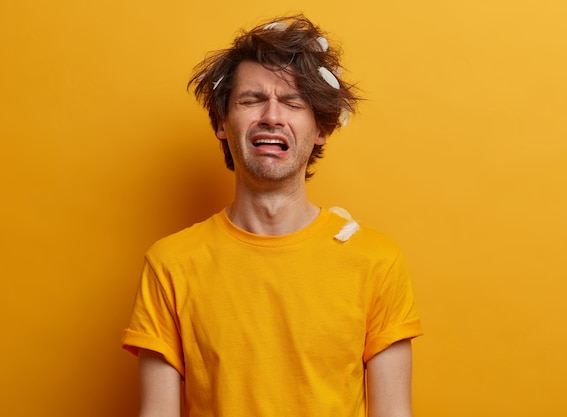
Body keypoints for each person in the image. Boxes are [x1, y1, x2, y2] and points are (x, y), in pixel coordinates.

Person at [122, 14, 422, 417]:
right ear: (222, 124)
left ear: (321, 129)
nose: (272, 116)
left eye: (293, 102)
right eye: (251, 100)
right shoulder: (171, 264)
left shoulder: (376, 261)